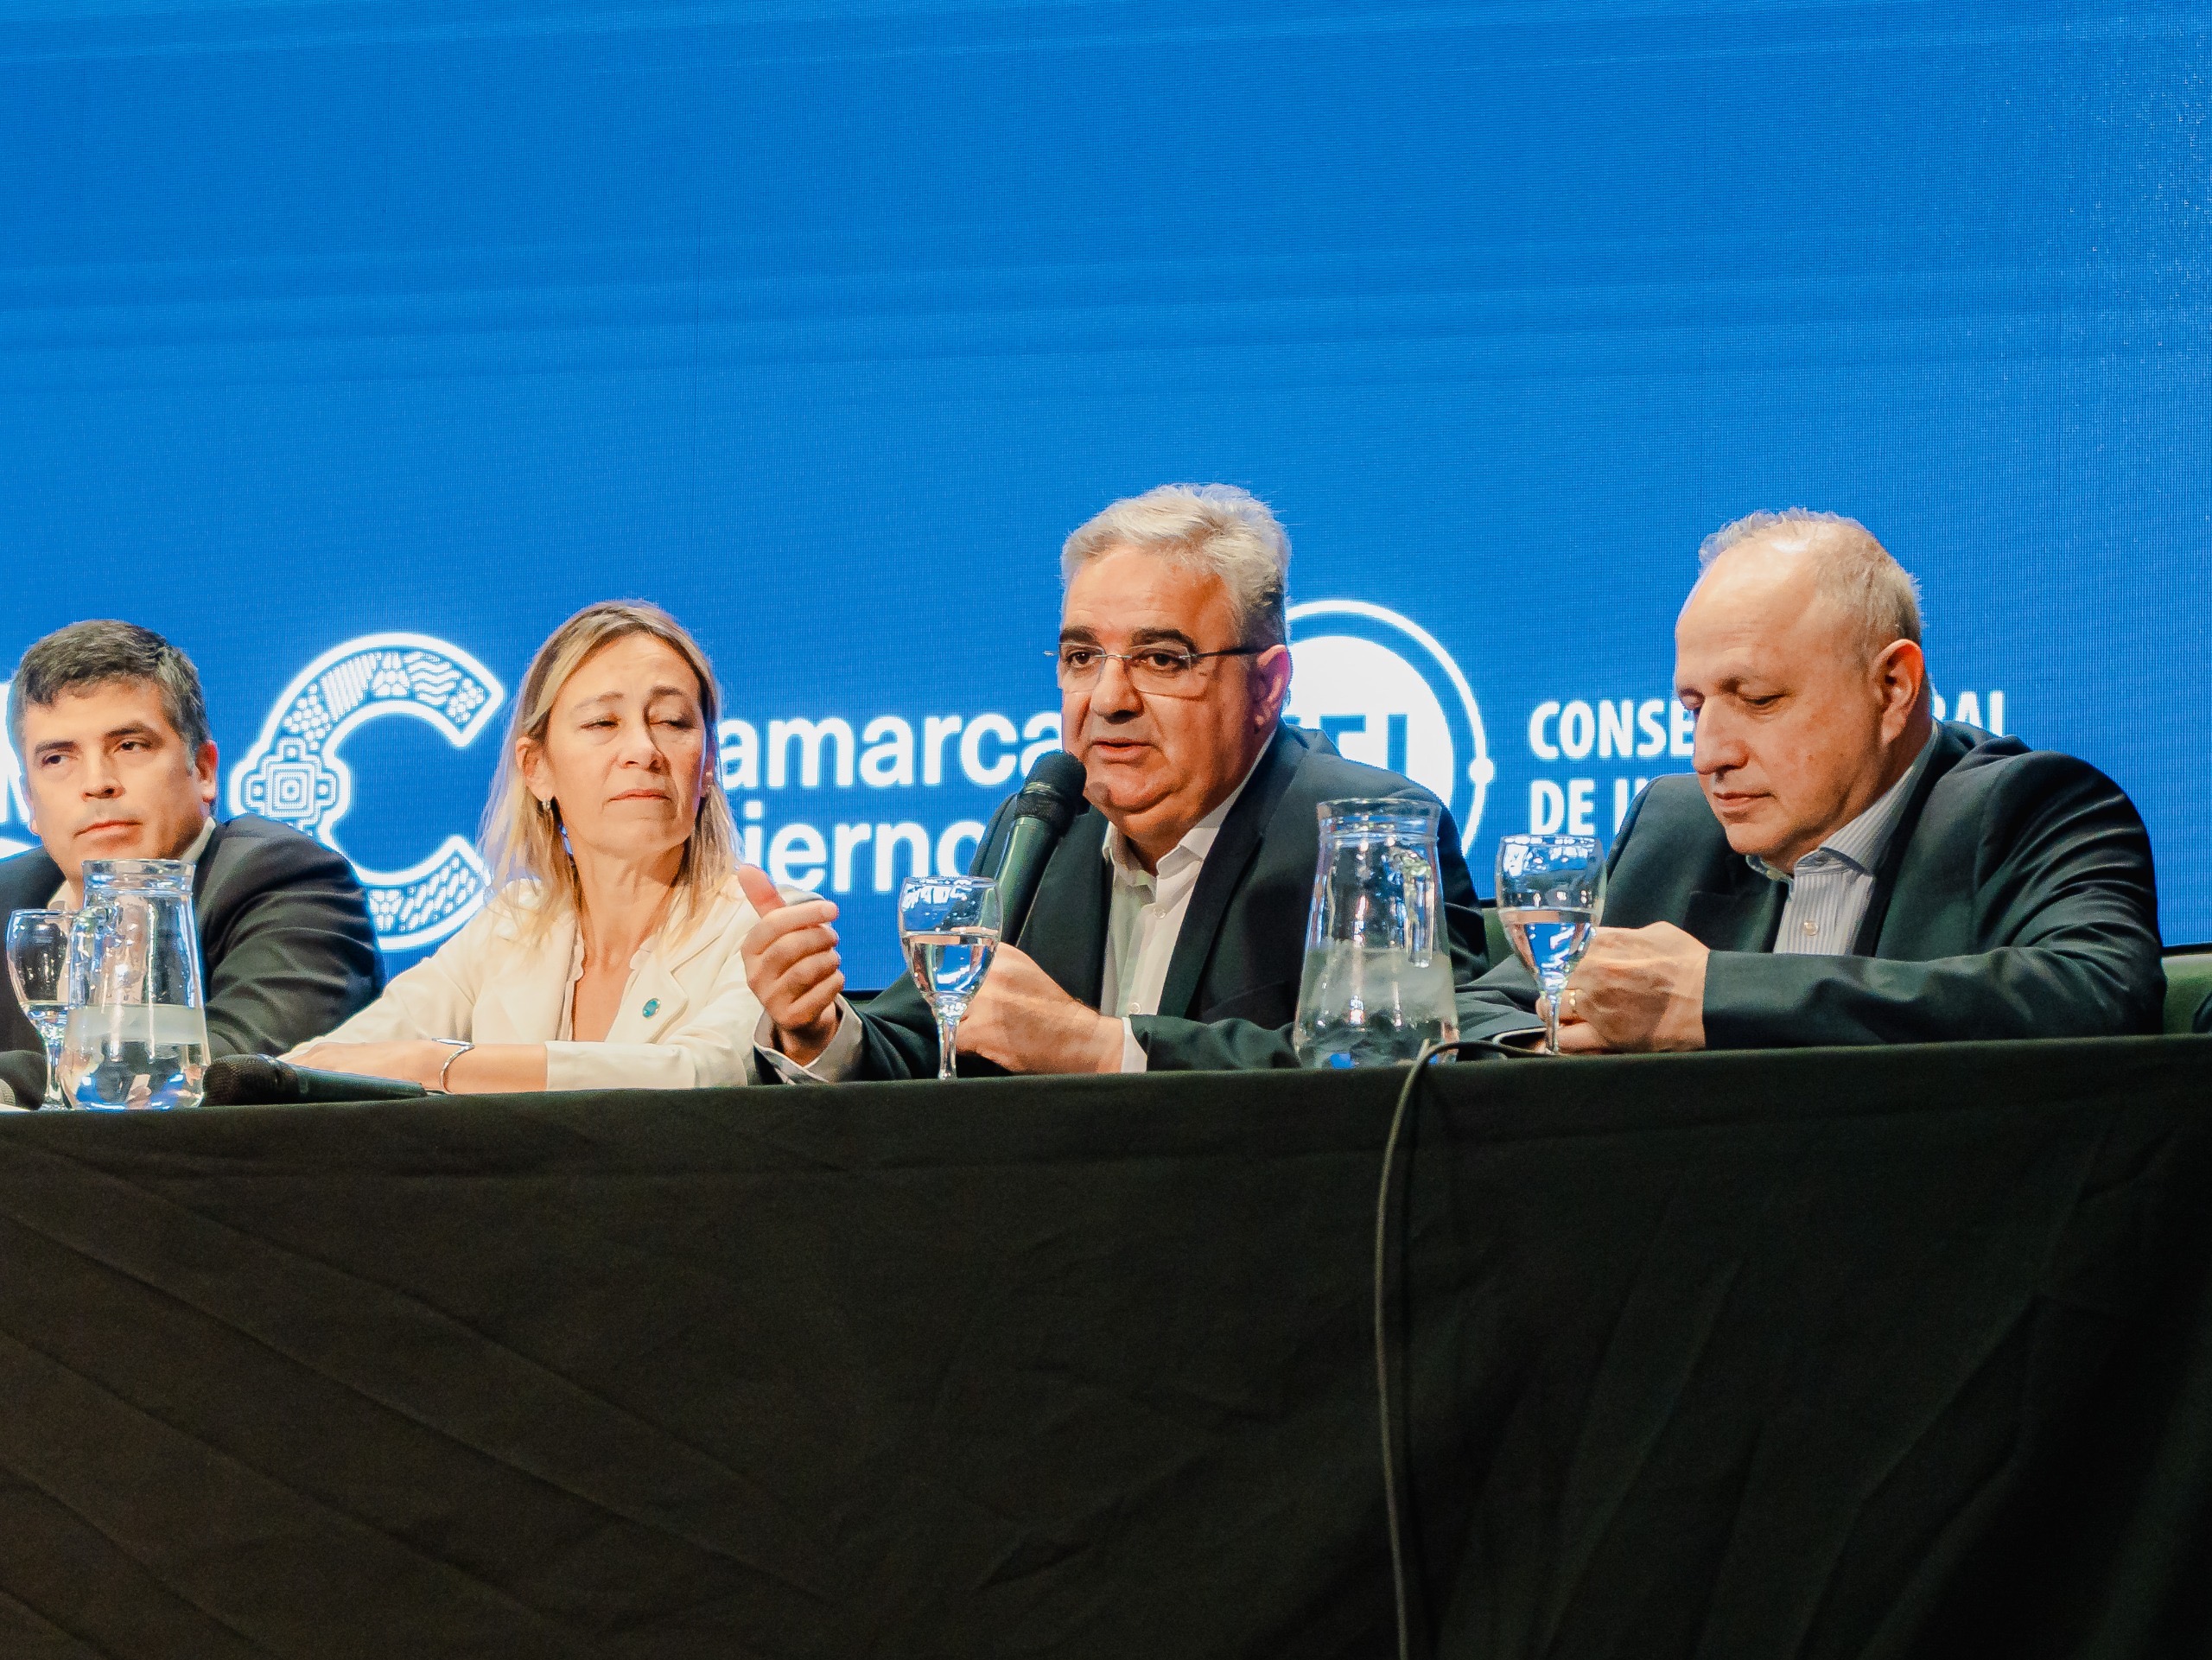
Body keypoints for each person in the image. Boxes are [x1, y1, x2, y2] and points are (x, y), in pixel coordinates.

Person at [741, 483, 1492, 1078]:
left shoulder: (1363, 830)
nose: (1109, 699)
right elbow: (924, 1047)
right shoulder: (1042, 828)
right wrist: (819, 1030)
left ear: (1267, 688)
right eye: (1081, 658)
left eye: (1161, 659)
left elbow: (1407, 1066)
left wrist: (1098, 1047)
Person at [1461, 510, 2163, 1050]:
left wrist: (1709, 997)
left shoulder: (2030, 808)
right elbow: (1476, 1011)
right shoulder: (1673, 827)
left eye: (1758, 699)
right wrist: (1563, 1039)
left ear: (1892, 688)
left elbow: (2099, 994)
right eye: (1695, 708)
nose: (1709, 754)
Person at [289, 601, 774, 1091]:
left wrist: (440, 1067)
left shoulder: (763, 925)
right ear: (537, 767)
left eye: (672, 722)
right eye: (602, 724)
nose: (643, 751)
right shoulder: (511, 925)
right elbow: (316, 1066)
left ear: (708, 763)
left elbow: (707, 1072)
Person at [0, 620, 383, 1066]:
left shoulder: (289, 881)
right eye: (57, 758)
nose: (97, 783)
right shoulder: (10, 898)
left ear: (203, 770)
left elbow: (226, 1069)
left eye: (130, 746)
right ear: (30, 801)